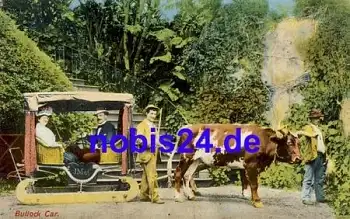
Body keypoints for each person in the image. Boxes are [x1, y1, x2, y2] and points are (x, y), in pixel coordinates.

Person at [296, 109, 328, 205]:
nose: (317, 119)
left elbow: (322, 143)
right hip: (311, 155)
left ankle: (320, 197)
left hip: (321, 155)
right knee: (308, 177)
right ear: (312, 119)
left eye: (318, 118)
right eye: (315, 118)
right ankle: (305, 198)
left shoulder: (319, 129)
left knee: (319, 178)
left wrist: (326, 156)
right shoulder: (308, 127)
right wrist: (311, 134)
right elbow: (299, 132)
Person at [136, 104, 164, 204]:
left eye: (155, 114)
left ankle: (143, 195)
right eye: (151, 113)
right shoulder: (141, 125)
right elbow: (139, 140)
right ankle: (155, 197)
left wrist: (161, 145)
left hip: (153, 153)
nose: (153, 116)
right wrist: (151, 143)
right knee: (152, 176)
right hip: (146, 154)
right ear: (146, 114)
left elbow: (155, 139)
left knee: (145, 175)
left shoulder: (153, 126)